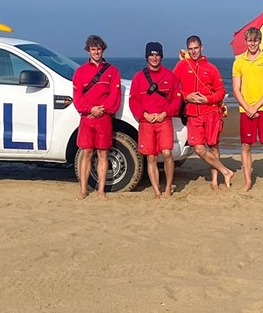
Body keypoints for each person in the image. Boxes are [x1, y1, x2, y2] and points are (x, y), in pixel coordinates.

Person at [173, 35, 234, 190]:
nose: (194, 51)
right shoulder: (182, 66)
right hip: (193, 114)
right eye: (191, 49)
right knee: (199, 148)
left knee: (213, 146)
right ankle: (225, 171)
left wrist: (206, 100)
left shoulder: (211, 68)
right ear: (188, 50)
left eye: (196, 48)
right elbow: (173, 87)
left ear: (202, 48)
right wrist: (187, 96)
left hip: (212, 112)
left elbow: (221, 92)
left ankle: (215, 181)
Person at [72, 35, 121, 200]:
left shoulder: (112, 71)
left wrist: (102, 109)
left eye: (99, 49)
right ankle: (83, 189)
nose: (96, 52)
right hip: (87, 118)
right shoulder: (80, 72)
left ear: (103, 49)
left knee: (103, 154)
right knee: (86, 152)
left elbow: (115, 96)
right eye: (93, 49)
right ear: (88, 51)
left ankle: (101, 190)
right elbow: (77, 97)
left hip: (104, 118)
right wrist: (90, 109)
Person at [130, 42, 182, 198]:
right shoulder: (139, 77)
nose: (154, 58)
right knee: (151, 157)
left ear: (161, 56)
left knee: (167, 153)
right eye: (151, 55)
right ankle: (156, 191)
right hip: (146, 122)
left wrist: (165, 114)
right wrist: (143, 115)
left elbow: (176, 99)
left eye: (157, 54)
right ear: (147, 57)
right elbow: (133, 100)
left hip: (164, 120)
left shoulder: (170, 76)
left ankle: (167, 188)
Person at [232, 27, 263, 193]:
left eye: (255, 40)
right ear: (246, 42)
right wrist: (247, 107)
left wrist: (256, 106)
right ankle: (247, 182)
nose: (252, 43)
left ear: (260, 41)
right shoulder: (239, 62)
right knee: (246, 145)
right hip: (246, 110)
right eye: (250, 40)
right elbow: (236, 89)